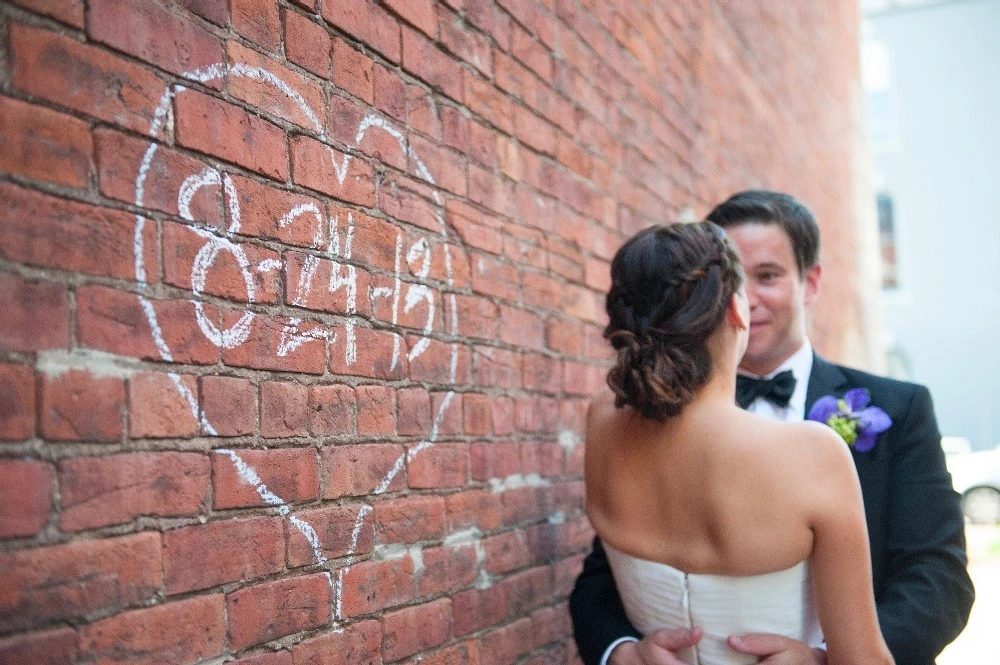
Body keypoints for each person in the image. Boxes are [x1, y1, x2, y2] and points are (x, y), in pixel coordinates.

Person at [571, 191, 974, 665]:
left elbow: (938, 575)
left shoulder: (900, 407)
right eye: (740, 281)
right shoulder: (813, 452)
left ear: (810, 282)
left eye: (768, 276)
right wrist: (621, 653)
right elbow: (605, 571)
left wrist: (822, 657)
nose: (753, 297)